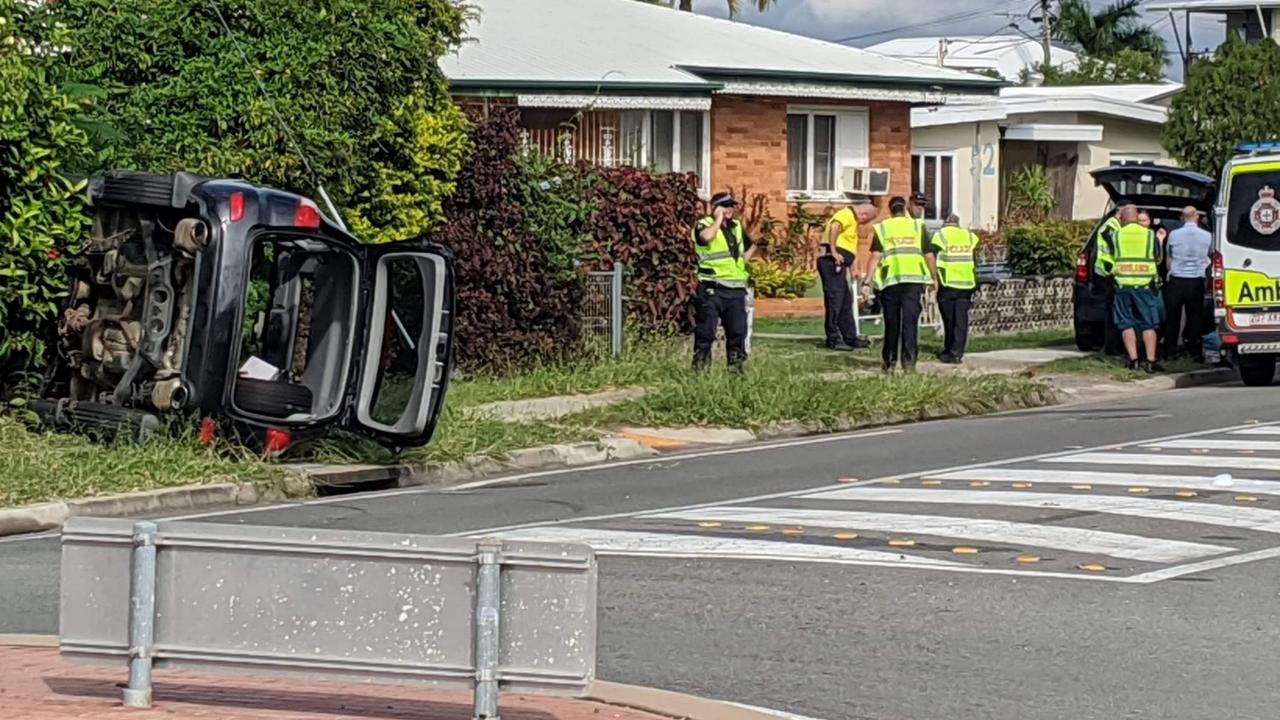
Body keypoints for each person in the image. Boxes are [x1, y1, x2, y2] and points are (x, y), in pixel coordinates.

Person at [869, 196, 935, 373]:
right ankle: (909, 364)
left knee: (892, 324)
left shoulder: (883, 228)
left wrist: (867, 281)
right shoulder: (916, 226)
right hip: (913, 282)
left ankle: (889, 363)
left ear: (890, 210)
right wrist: (934, 279)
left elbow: (875, 256)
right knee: (910, 323)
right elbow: (929, 255)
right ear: (905, 208)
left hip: (891, 283)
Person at [1096, 204, 1163, 372]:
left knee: (1126, 323)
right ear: (1136, 216)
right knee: (1148, 324)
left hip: (1122, 285)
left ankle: (1133, 360)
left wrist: (1108, 274)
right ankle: (1150, 361)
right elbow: (1158, 258)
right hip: (1145, 286)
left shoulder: (1116, 235)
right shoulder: (1149, 235)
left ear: (1123, 218)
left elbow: (1107, 260)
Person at [691, 192, 754, 371]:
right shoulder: (704, 224)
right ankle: (700, 371)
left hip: (735, 289)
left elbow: (751, 245)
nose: (729, 209)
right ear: (715, 207)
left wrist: (741, 262)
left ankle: (736, 371)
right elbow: (706, 237)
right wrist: (717, 220)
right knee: (706, 333)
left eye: (731, 206)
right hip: (712, 288)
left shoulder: (736, 226)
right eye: (725, 206)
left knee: (737, 333)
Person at [819, 201, 877, 351]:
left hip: (841, 264)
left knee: (845, 301)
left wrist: (853, 268)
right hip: (831, 262)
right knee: (835, 300)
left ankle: (850, 338)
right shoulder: (845, 214)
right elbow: (834, 227)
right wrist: (833, 251)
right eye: (866, 221)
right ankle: (833, 338)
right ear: (863, 215)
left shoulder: (852, 222)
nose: (864, 224)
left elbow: (850, 247)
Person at [927, 213, 980, 364]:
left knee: (949, 319)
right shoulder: (968, 236)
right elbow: (974, 259)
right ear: (958, 224)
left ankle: (950, 350)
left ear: (945, 224)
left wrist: (933, 279)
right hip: (966, 284)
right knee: (961, 320)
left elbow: (932, 257)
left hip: (948, 283)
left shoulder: (940, 235)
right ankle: (957, 352)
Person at [1163, 206, 1213, 361]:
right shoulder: (1207, 236)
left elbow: (1169, 257)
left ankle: (1170, 351)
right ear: (1196, 216)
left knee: (1172, 318)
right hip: (1196, 280)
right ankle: (1194, 351)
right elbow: (1210, 256)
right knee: (1194, 318)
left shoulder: (1174, 234)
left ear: (1182, 217)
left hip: (1177, 279)